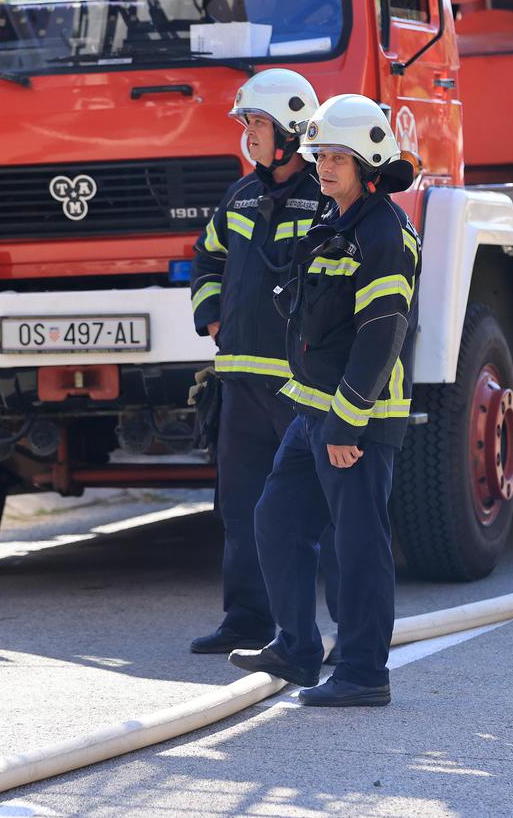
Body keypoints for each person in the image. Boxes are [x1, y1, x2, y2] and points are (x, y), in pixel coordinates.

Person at [229, 94, 422, 706]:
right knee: (276, 519)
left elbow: (382, 333)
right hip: (311, 408)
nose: (325, 166)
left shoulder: (385, 234)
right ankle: (297, 647)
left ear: (369, 162)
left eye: (338, 156)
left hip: (358, 419)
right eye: (320, 155)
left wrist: (346, 420)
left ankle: (365, 673)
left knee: (357, 543)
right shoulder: (333, 224)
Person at [188, 68, 339, 655]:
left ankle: (308, 629)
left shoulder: (325, 199)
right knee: (240, 505)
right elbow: (206, 259)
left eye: (255, 123)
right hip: (240, 381)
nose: (247, 134)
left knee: (303, 513)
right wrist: (213, 316)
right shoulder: (241, 195)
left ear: (290, 130)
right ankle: (246, 619)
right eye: (246, 123)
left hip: (298, 387)